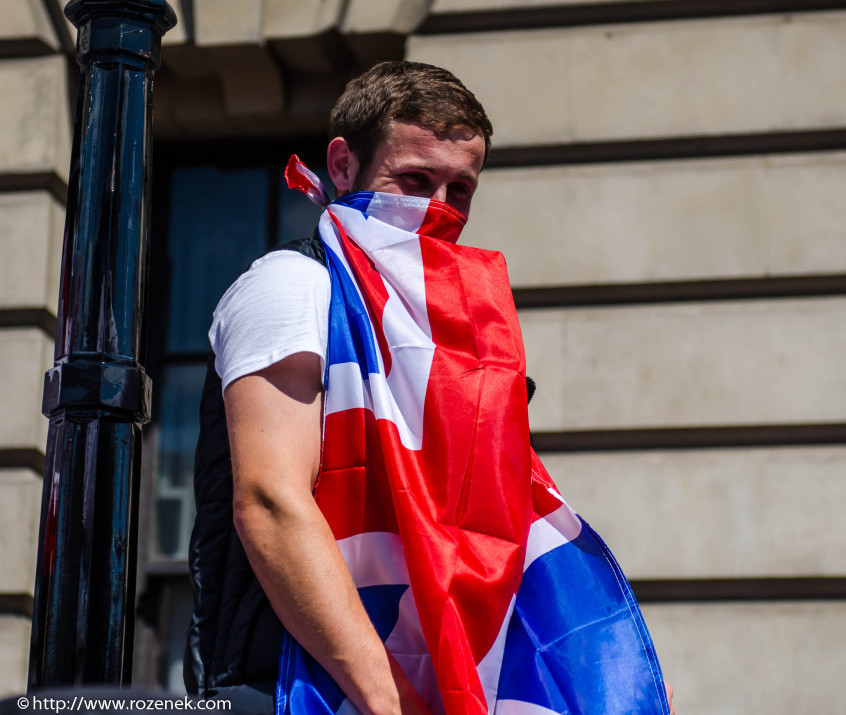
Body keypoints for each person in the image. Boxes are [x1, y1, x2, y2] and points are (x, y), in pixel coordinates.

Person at [186, 60, 673, 715]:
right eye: (414, 180)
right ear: (341, 165)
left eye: (460, 191)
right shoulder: (292, 286)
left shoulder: (454, 337)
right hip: (285, 684)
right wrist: (393, 701)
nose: (437, 211)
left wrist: (596, 678)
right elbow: (272, 502)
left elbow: (500, 529)